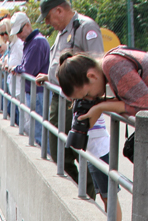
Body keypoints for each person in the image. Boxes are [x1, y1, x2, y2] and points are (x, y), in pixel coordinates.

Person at [35, 0, 103, 199]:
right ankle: (74, 189)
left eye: (49, 17)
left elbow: (96, 64)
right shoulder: (64, 31)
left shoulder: (84, 27)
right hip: (60, 97)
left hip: (76, 100)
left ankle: (86, 194)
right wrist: (50, 76)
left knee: (77, 150)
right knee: (58, 150)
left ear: (59, 10)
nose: (48, 23)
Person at [58, 50, 123, 221]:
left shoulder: (92, 102)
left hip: (101, 150)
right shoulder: (86, 99)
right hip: (94, 152)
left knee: (109, 196)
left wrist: (93, 107)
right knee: (104, 194)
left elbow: (89, 124)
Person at [57, 47, 148, 118]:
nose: (90, 99)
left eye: (87, 94)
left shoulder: (113, 65)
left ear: (91, 76)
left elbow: (146, 108)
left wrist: (100, 107)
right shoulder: (111, 61)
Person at [10, 12, 50, 145]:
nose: (18, 35)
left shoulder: (37, 42)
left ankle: (46, 157)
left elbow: (28, 69)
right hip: (34, 92)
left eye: (20, 31)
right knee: (35, 128)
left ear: (28, 25)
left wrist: (16, 68)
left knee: (38, 130)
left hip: (38, 93)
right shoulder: (32, 41)